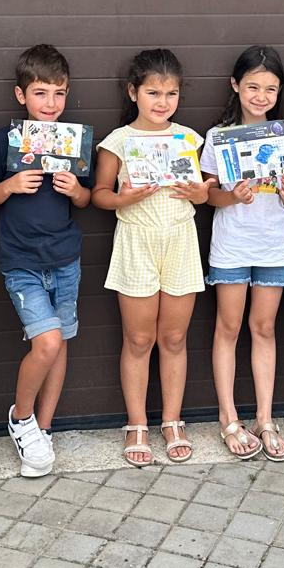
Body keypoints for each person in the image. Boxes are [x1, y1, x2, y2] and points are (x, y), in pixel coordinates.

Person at [92, 49, 210, 467]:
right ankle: (137, 423)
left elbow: (206, 191)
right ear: (133, 92)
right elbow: (99, 195)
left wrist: (201, 193)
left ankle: (172, 420)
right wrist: (123, 198)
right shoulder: (118, 141)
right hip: (136, 240)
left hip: (179, 238)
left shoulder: (189, 138)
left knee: (174, 338)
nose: (162, 102)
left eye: (171, 93)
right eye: (153, 93)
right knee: (139, 339)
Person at [0, 44, 93, 477]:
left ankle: (43, 429)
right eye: (41, 93)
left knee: (59, 342)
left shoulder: (75, 140)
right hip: (22, 261)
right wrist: (10, 185)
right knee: (46, 342)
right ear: (21, 94)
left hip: (65, 258)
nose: (50, 103)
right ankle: (21, 418)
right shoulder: (5, 139)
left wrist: (75, 190)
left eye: (59, 93)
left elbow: (85, 200)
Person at [200, 46, 284, 463]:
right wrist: (232, 196)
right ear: (235, 85)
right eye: (253, 87)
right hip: (232, 243)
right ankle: (228, 418)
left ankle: (265, 419)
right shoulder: (217, 136)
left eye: (270, 89)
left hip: (274, 242)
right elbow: (208, 195)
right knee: (228, 328)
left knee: (264, 328)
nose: (261, 96)